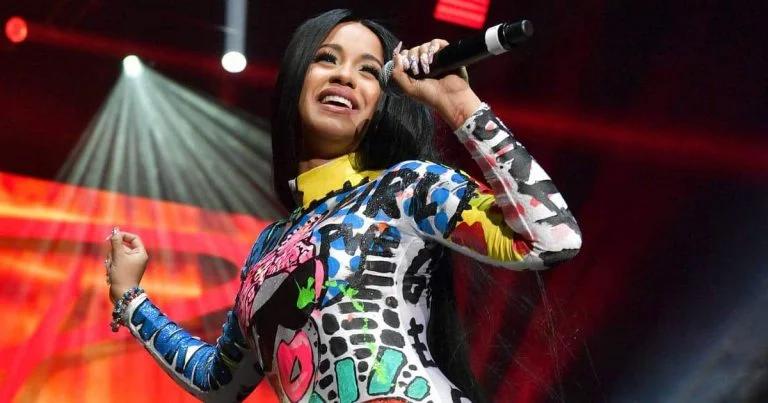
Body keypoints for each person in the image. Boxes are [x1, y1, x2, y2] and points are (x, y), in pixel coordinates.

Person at [104, 9, 582, 403]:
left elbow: (551, 237)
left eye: (368, 70)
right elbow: (219, 382)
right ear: (296, 80)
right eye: (326, 58)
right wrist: (132, 300)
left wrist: (459, 104)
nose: (344, 76)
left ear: (380, 102)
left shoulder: (404, 187)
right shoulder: (265, 250)